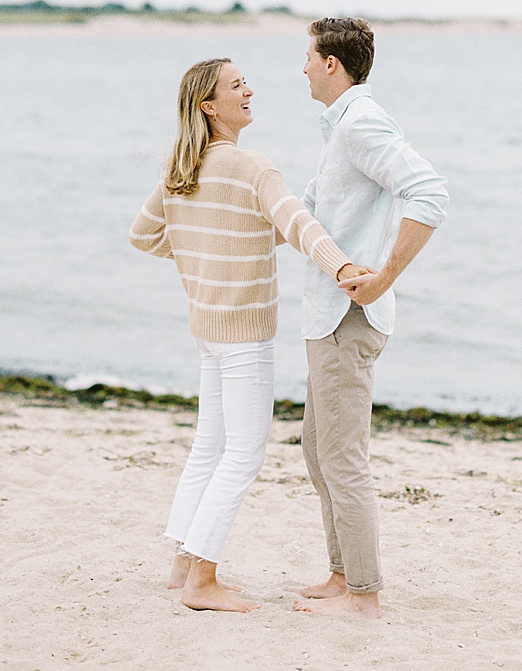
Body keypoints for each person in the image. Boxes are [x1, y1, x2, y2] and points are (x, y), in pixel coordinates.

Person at [130, 57, 369, 613]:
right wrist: (342, 268)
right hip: (242, 335)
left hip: (208, 333)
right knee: (242, 454)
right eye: (237, 86)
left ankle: (182, 567)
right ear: (209, 106)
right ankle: (202, 581)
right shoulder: (250, 166)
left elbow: (144, 235)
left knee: (208, 447)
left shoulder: (180, 168)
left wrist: (200, 252)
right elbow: (300, 225)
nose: (249, 90)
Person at [292, 17, 448, 620]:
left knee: (343, 458)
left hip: (347, 318)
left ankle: (364, 597)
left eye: (307, 55)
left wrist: (385, 275)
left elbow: (430, 191)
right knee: (317, 451)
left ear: (332, 63)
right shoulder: (340, 130)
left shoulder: (360, 124)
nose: (302, 66)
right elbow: (305, 215)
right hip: (325, 316)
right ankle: (340, 576)